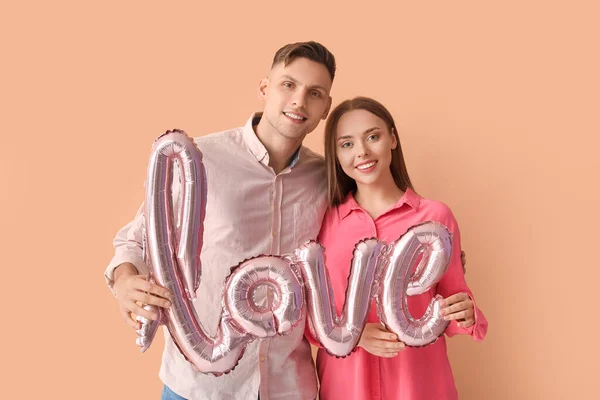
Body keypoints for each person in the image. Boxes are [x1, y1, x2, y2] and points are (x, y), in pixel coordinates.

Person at [104, 41, 336, 400]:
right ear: (264, 88)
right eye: (288, 84)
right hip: (199, 387)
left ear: (326, 108)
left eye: (315, 93)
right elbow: (134, 242)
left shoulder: (326, 179)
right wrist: (125, 282)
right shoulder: (200, 159)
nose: (299, 101)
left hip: (288, 385)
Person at [309, 96, 488, 400]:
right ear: (336, 154)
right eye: (347, 144)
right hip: (346, 386)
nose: (362, 152)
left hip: (418, 384)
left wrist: (466, 313)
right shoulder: (322, 221)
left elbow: (453, 297)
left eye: (373, 137)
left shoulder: (435, 217)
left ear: (392, 138)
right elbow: (305, 316)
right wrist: (353, 335)